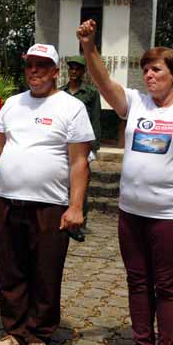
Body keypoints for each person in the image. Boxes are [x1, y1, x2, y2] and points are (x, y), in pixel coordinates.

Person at [76, 19, 173, 345]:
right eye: (145, 71)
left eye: (156, 70)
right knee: (138, 282)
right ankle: (143, 344)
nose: (149, 76)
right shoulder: (135, 103)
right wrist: (89, 47)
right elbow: (102, 81)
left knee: (167, 286)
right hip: (131, 213)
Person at [0, 43, 94, 345]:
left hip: (51, 205)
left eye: (42, 65)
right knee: (11, 269)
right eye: (29, 65)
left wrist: (75, 207)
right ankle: (15, 332)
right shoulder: (12, 104)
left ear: (55, 71)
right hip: (8, 200)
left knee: (45, 272)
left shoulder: (71, 107)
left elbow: (79, 163)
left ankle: (39, 336)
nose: (34, 71)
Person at [61, 55, 102, 238]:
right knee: (63, 182)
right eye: (71, 68)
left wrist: (94, 147)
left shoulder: (91, 93)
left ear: (83, 71)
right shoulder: (60, 92)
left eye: (78, 68)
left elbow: (95, 120)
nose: (74, 71)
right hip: (64, 143)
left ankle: (79, 223)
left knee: (80, 183)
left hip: (82, 144)